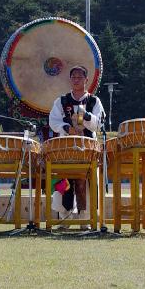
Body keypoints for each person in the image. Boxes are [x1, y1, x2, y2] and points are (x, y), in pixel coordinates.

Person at [48, 65, 105, 228]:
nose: (76, 80)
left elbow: (98, 124)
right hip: (66, 147)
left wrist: (86, 116)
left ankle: (84, 218)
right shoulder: (62, 100)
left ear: (87, 80)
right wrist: (66, 128)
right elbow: (53, 120)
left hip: (87, 148)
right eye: (73, 77)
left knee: (84, 181)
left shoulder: (94, 101)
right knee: (65, 179)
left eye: (80, 77)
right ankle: (64, 217)